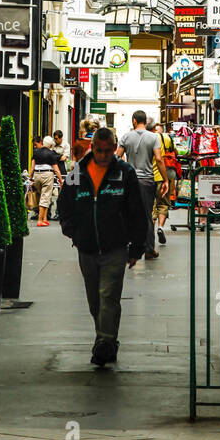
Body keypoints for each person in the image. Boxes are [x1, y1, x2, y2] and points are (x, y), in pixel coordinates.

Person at [57, 126, 149, 366]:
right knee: (94, 301)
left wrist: (136, 248)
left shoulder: (124, 173)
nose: (104, 155)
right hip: (86, 248)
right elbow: (64, 203)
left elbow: (137, 212)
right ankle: (107, 341)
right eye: (99, 150)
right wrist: (73, 231)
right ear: (92, 147)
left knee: (108, 296)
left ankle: (104, 343)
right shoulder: (78, 171)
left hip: (115, 247)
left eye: (109, 151)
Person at [118, 110, 168, 259]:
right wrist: (165, 179)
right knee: (146, 215)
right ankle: (149, 249)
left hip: (130, 182)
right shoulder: (153, 137)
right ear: (145, 122)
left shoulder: (126, 137)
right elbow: (159, 159)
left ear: (134, 121)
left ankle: (128, 247)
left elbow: (116, 156)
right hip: (147, 181)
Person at [149, 120, 178, 243]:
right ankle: (160, 227)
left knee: (151, 206)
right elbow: (176, 152)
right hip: (163, 175)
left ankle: (150, 233)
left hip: (148, 176)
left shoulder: (147, 137)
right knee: (163, 203)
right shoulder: (166, 138)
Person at [29, 135, 64, 227]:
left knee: (43, 197)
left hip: (37, 175)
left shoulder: (36, 152)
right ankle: (40, 220)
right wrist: (61, 181)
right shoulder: (51, 154)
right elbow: (56, 169)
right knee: (45, 197)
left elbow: (32, 167)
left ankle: (45, 218)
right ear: (50, 144)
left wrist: (30, 178)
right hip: (47, 175)